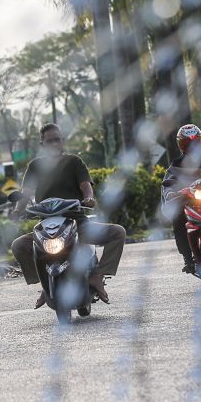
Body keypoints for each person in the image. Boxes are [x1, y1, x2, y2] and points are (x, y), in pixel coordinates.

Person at [11, 123, 126, 308]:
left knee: (118, 232)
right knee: (18, 245)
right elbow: (26, 193)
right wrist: (18, 210)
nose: (54, 144)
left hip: (78, 223)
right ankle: (44, 285)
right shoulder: (35, 166)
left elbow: (85, 186)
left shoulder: (74, 161)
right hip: (46, 226)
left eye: (57, 140)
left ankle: (98, 276)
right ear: (42, 144)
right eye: (49, 141)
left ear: (62, 141)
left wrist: (89, 198)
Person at [162, 124, 201, 274]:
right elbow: (168, 183)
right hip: (188, 202)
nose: (192, 146)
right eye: (187, 143)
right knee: (178, 220)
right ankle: (187, 258)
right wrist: (171, 193)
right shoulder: (176, 165)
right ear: (181, 145)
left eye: (195, 142)